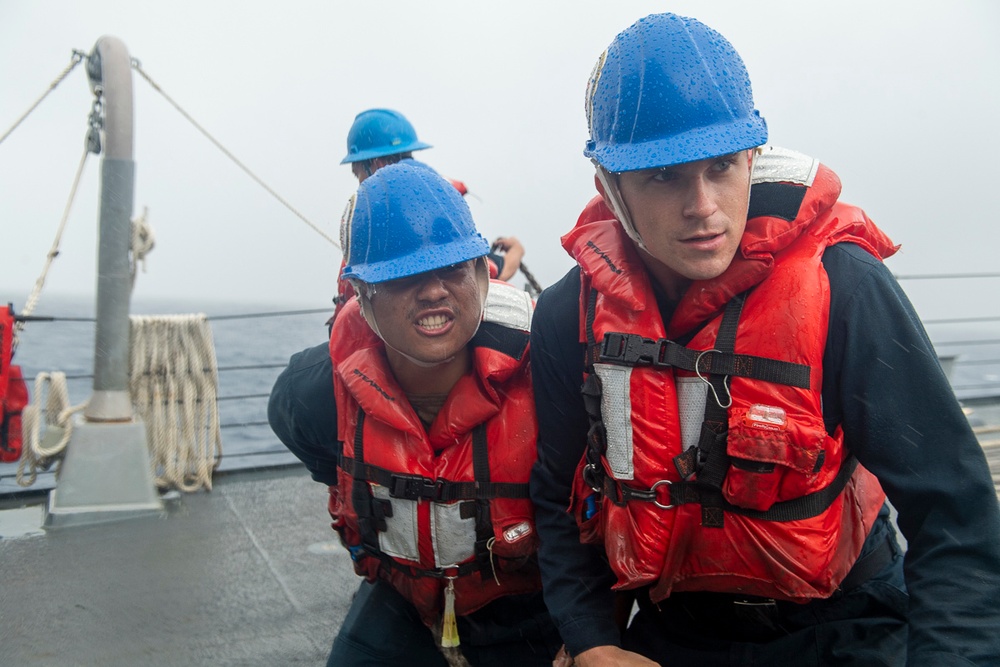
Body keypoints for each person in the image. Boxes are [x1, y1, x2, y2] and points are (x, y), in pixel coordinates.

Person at [528, 12, 1000, 667]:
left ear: (752, 157)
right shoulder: (567, 315)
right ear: (610, 185)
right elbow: (557, 492)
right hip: (677, 629)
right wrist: (592, 638)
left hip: (846, 625)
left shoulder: (845, 288)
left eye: (721, 166)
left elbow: (953, 509)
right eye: (663, 175)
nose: (703, 205)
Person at [269, 160, 560, 666]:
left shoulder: (551, 376)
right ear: (362, 296)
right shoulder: (312, 393)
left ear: (481, 275)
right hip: (404, 601)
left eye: (451, 268)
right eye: (402, 275)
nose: (432, 290)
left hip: (530, 609)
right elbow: (315, 447)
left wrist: (587, 632)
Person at [332, 108, 525, 322]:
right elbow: (493, 269)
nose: (360, 183)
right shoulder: (437, 197)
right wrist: (516, 249)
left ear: (375, 164)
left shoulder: (395, 215)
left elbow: (486, 272)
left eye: (357, 173)